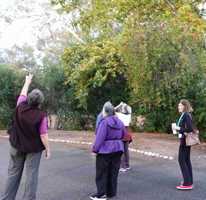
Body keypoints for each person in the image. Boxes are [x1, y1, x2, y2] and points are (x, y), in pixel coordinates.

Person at [0, 74, 51, 200]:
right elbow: (43, 135)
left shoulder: (20, 106)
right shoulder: (41, 115)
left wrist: (27, 81)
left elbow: (23, 93)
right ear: (40, 101)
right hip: (33, 150)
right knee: (31, 176)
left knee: (12, 173)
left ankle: (7, 198)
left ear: (28, 98)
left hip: (16, 146)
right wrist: (48, 150)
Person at [91, 102, 126, 200]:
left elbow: (100, 137)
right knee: (113, 172)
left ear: (105, 111)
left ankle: (102, 194)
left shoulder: (104, 122)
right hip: (117, 148)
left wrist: (95, 149)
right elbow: (123, 134)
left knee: (102, 172)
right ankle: (111, 193)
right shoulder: (119, 121)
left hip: (105, 149)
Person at [172, 99, 194, 190]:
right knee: (186, 160)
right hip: (186, 140)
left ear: (185, 106)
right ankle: (189, 180)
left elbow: (190, 129)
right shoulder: (188, 114)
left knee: (181, 160)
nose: (178, 107)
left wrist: (177, 127)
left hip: (185, 141)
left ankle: (187, 183)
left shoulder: (186, 115)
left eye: (180, 105)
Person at [114, 102, 132, 172]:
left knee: (121, 151)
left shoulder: (119, 115)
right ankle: (127, 165)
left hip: (121, 133)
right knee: (126, 150)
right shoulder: (129, 115)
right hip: (127, 133)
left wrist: (119, 105)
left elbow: (110, 111)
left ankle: (123, 166)